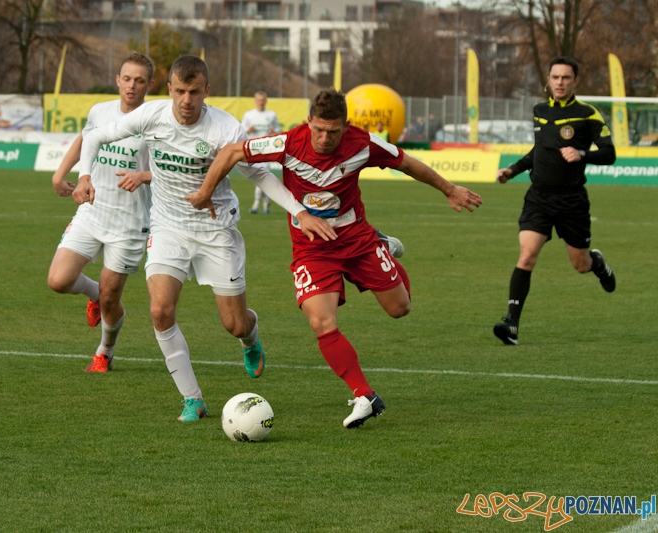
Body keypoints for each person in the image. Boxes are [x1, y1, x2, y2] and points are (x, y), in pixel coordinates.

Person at [186, 88, 483, 429]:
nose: (325, 138)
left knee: (400, 308)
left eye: (334, 131)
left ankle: (382, 246)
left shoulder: (363, 143)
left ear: (346, 126)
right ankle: (365, 396)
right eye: (319, 129)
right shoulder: (287, 142)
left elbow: (407, 163)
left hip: (357, 239)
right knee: (321, 322)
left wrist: (449, 189)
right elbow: (232, 152)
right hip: (312, 249)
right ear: (308, 122)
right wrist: (205, 193)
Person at [76, 56, 335, 422]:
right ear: (169, 90)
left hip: (216, 230)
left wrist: (301, 211)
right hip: (168, 227)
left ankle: (250, 337)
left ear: (206, 91)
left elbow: (260, 175)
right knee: (159, 310)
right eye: (180, 91)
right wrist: (85, 175)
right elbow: (97, 135)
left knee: (234, 323)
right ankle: (192, 398)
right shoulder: (151, 117)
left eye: (194, 92)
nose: (186, 99)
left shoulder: (225, 130)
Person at [494, 56, 616, 345]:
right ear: (548, 80)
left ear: (575, 81)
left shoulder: (588, 114)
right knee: (527, 256)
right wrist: (512, 170)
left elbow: (609, 154)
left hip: (572, 201)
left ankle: (596, 262)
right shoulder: (539, 111)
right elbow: (539, 151)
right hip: (539, 197)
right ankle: (511, 324)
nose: (560, 82)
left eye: (566, 78)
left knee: (580, 265)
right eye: (556, 77)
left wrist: (582, 154)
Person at [47, 52, 155, 372]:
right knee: (58, 279)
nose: (132, 86)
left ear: (148, 85)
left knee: (112, 298)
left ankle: (104, 351)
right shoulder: (101, 111)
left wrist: (144, 176)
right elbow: (86, 138)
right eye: (127, 79)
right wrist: (61, 173)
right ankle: (92, 293)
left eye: (139, 80)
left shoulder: (156, 121)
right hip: (93, 211)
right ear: (117, 80)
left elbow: (168, 170)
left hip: (130, 223)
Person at [241, 91, 281, 214]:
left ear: (266, 101)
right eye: (258, 100)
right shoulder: (249, 115)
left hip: (266, 151)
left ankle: (255, 205)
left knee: (261, 177)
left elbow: (278, 130)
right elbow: (242, 130)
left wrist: (274, 131)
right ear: (255, 100)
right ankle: (266, 202)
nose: (261, 102)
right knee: (258, 179)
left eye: (263, 100)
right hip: (253, 150)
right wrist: (249, 129)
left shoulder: (272, 115)